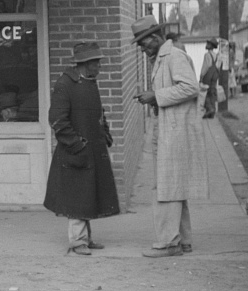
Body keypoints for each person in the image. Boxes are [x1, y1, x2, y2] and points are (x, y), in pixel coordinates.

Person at [132, 15, 208, 258]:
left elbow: (190, 87)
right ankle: (183, 240)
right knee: (174, 186)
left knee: (166, 187)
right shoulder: (163, 58)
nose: (142, 49)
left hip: (174, 133)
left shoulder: (173, 56)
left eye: (144, 43)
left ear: (155, 38)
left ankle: (168, 243)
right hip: (168, 129)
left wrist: (156, 96)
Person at [43, 42, 120, 255]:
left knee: (87, 194)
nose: (100, 67)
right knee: (77, 197)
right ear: (85, 64)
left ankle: (85, 238)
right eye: (97, 62)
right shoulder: (65, 84)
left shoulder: (88, 81)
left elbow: (98, 113)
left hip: (91, 150)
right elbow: (57, 121)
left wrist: (104, 134)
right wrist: (78, 144)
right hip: (74, 153)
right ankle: (77, 242)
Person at [199, 38, 220, 119]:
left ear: (211, 46)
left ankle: (209, 109)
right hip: (215, 75)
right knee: (212, 92)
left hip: (208, 75)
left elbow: (205, 66)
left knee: (206, 92)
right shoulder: (216, 55)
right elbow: (218, 66)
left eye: (208, 44)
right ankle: (213, 111)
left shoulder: (207, 55)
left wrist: (201, 76)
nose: (206, 45)